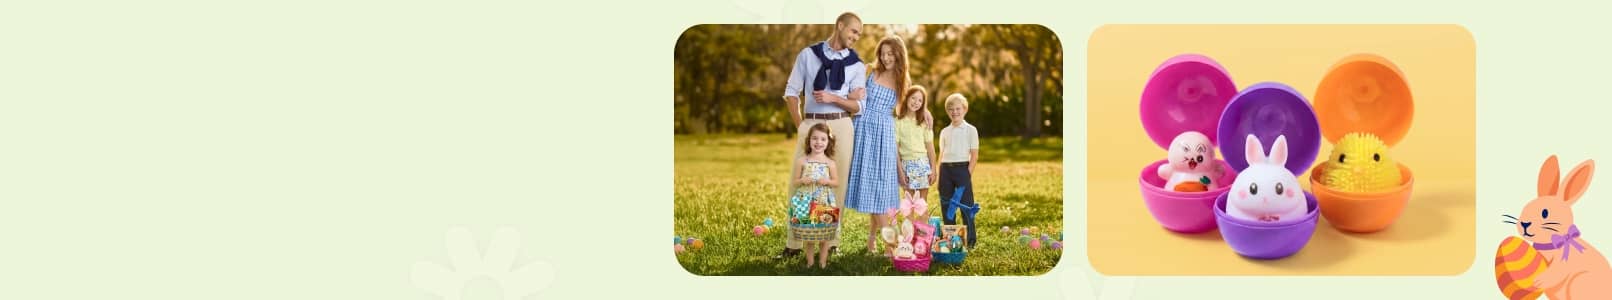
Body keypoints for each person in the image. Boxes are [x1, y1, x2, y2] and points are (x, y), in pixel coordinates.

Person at [778, 12, 865, 259]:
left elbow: (860, 107)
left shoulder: (857, 65)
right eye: (854, 31)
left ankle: (831, 241)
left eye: (859, 34)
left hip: (841, 127)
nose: (856, 37)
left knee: (837, 185)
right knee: (801, 182)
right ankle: (794, 244)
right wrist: (801, 126)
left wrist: (838, 99)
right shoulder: (808, 55)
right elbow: (791, 92)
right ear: (840, 26)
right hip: (812, 125)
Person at [843, 34, 913, 255]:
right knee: (871, 188)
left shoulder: (903, 80)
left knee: (879, 190)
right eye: (883, 54)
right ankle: (885, 244)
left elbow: (912, 105)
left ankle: (887, 244)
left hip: (883, 133)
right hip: (863, 128)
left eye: (890, 54)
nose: (886, 58)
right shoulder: (870, 71)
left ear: (899, 55)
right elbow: (851, 95)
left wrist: (926, 114)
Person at [788, 124, 840, 268]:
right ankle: (810, 261)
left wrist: (827, 181)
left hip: (824, 201)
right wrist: (802, 180)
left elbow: (836, 182)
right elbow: (795, 182)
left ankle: (823, 261)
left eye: (823, 139)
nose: (818, 142)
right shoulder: (802, 161)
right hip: (805, 201)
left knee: (825, 234)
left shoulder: (830, 163)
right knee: (808, 233)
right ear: (809, 140)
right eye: (815, 138)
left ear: (828, 142)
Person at [936, 93, 980, 248]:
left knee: (966, 206)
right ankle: (950, 240)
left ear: (964, 109)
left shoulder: (971, 130)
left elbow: (974, 155)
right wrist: (939, 175)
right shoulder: (944, 132)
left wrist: (967, 175)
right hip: (946, 170)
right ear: (947, 111)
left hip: (963, 170)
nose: (954, 112)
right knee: (947, 206)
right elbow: (941, 155)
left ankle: (971, 241)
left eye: (957, 108)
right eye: (951, 109)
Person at [895, 85, 937, 202]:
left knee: (921, 203)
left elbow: (930, 149)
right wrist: (900, 171)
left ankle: (923, 221)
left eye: (920, 100)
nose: (916, 102)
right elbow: (896, 151)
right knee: (909, 203)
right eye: (913, 98)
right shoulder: (897, 122)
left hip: (923, 165)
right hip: (906, 166)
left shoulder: (924, 122)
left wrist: (934, 169)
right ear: (906, 98)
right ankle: (908, 221)